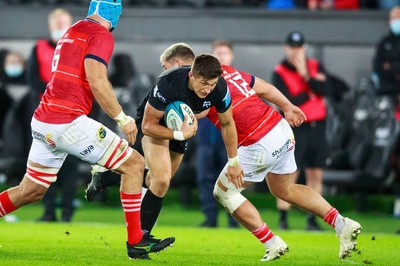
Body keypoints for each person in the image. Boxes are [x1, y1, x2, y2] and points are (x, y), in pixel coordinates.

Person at [87, 42, 362, 262]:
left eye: (168, 67)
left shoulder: (204, 84)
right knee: (285, 190)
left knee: (224, 192)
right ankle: (341, 223)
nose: (165, 71)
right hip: (280, 129)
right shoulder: (225, 71)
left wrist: (228, 158)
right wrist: (288, 107)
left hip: (257, 139)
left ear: (185, 67)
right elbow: (263, 87)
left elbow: (209, 114)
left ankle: (272, 242)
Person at [0, 0, 174, 259]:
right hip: (68, 121)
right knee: (135, 164)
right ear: (114, 12)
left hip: (44, 120)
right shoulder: (100, 34)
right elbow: (96, 79)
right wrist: (122, 118)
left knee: (31, 190)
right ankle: (136, 241)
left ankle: (105, 185)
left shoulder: (73, 29)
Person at [272, 31, 331, 231]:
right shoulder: (280, 71)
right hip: (296, 127)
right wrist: (310, 90)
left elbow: (327, 89)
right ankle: (283, 218)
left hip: (318, 125)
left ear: (304, 48)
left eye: (299, 47)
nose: (296, 51)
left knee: (316, 173)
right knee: (291, 172)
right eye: (292, 47)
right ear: (286, 48)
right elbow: (287, 102)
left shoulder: (314, 66)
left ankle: (313, 219)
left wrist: (306, 75)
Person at [26, 8, 79, 222]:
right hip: (46, 114)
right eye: (57, 23)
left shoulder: (77, 49)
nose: (60, 27)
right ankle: (49, 211)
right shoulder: (38, 49)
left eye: (63, 23)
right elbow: (32, 80)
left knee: (70, 166)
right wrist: (54, 94)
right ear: (50, 26)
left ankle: (67, 212)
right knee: (44, 163)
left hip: (71, 114)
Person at [195, 39, 239, 228]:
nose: (222, 56)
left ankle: (234, 218)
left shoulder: (238, 81)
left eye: (225, 53)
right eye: (217, 53)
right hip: (205, 138)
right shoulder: (200, 80)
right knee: (204, 178)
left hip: (227, 140)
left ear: (232, 56)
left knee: (232, 178)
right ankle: (210, 218)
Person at [372, 6, 400, 228]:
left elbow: (389, 70)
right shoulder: (384, 43)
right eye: (394, 17)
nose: (396, 21)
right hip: (389, 108)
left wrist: (393, 68)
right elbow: (379, 71)